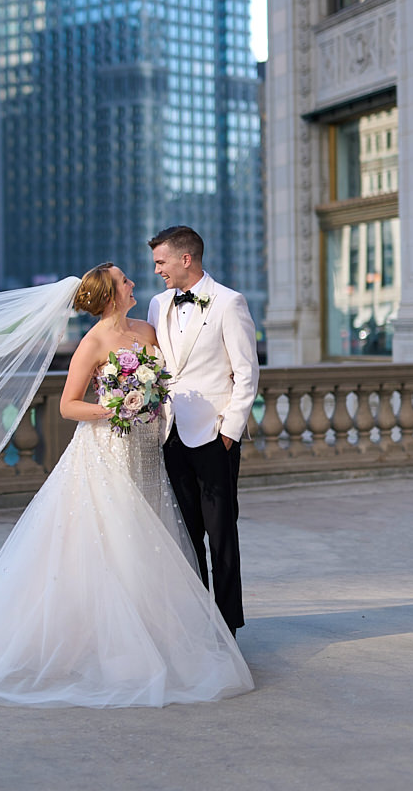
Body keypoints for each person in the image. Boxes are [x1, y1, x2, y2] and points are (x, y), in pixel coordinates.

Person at [0, 262, 253, 707]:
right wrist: (116, 409)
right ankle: (109, 642)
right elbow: (69, 406)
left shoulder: (148, 330)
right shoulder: (92, 343)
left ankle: (156, 633)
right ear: (112, 295)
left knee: (150, 539)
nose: (134, 283)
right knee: (111, 543)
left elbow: (176, 376)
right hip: (108, 448)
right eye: (125, 281)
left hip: (148, 452)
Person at [147, 226, 259, 636]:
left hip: (214, 436)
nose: (157, 269)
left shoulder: (230, 303)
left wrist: (228, 432)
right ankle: (197, 622)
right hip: (171, 434)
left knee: (221, 535)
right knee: (186, 534)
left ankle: (228, 626)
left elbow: (247, 373)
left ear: (185, 259)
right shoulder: (157, 304)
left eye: (161, 261)